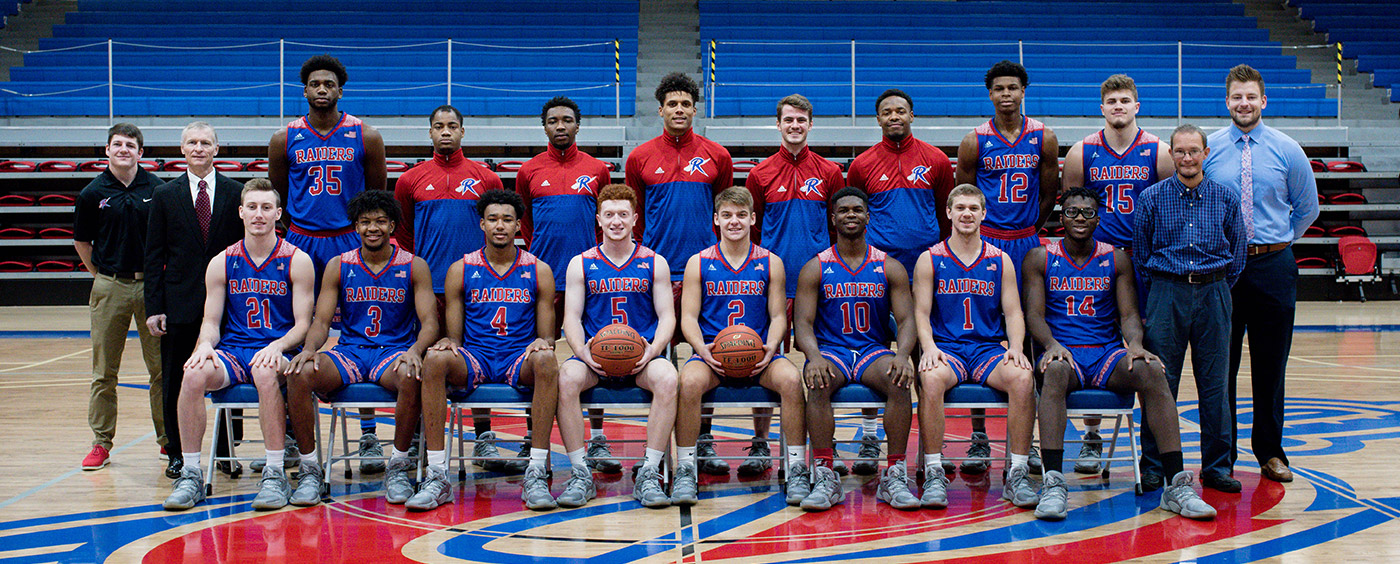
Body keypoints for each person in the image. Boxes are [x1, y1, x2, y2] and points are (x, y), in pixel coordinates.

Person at [1023, 187, 1215, 521]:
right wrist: (1052, 345)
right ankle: (1054, 483)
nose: (1079, 218)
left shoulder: (1116, 258)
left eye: (1086, 212)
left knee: (1153, 371)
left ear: (1098, 219)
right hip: (1065, 353)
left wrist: (1136, 346)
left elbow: (1128, 315)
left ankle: (1177, 485)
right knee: (1053, 371)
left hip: (1105, 354)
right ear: (1060, 217)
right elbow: (1034, 316)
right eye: (1071, 212)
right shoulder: (1040, 257)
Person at [161, 179, 316, 511]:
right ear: (241, 213)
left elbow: (304, 324)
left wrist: (278, 345)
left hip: (278, 348)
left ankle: (274, 473)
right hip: (234, 349)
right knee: (192, 374)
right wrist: (204, 345)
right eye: (252, 208)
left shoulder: (297, 259)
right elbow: (212, 321)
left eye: (265, 208)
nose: (258, 215)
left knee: (264, 373)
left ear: (278, 213)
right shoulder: (222, 261)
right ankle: (190, 473)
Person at [268, 54, 389, 473]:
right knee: (299, 333)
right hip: (301, 240)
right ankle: (289, 435)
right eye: (315, 83)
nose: (322, 89)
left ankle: (369, 435)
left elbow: (376, 196)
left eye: (329, 83)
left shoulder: (365, 135)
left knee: (363, 332)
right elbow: (279, 197)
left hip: (347, 240)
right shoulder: (284, 138)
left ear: (341, 89)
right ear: (304, 90)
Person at [284, 191, 438, 507]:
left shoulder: (414, 265)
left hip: (392, 351)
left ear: (393, 225)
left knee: (412, 374)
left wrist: (417, 349)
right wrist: (310, 349)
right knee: (299, 373)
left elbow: (430, 322)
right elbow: (322, 319)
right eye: (365, 222)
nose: (373, 228)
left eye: (380, 221)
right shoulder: (339, 265)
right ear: (355, 226)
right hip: (350, 351)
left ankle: (398, 465)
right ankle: (310, 469)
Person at [1204, 64, 1319, 484]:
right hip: (1224, 268)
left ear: (1263, 100)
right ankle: (1223, 456)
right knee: (1222, 365)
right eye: (1237, 97)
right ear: (1227, 101)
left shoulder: (1288, 150)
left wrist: (1277, 244)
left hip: (1273, 264)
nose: (1244, 103)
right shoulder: (1210, 148)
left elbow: (1308, 209)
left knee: (1272, 365)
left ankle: (1271, 453)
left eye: (1251, 96)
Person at [1059, 74, 1174, 475]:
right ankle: (1091, 438)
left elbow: (1169, 212)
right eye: (1112, 101)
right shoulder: (1082, 152)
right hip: (1097, 262)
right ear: (1102, 107)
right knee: (1095, 341)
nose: (1119, 106)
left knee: (1146, 351)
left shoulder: (1159, 152)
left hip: (1144, 262)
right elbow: (1073, 209)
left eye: (1126, 100)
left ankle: (1156, 452)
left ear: (1137, 105)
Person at [392, 104, 517, 473]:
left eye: (452, 126)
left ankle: (484, 436)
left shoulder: (486, 178)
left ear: (463, 131)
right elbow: (403, 235)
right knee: (427, 364)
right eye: (438, 126)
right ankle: (421, 439)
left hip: (476, 286)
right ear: (429, 133)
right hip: (427, 290)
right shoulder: (409, 180)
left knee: (476, 355)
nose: (445, 132)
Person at [417, 190, 559, 511]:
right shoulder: (461, 269)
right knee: (436, 359)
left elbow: (546, 336)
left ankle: (536, 470)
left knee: (548, 360)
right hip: (477, 356)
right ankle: (438, 474)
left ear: (518, 226)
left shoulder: (539, 269)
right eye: (493, 219)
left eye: (507, 219)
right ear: (481, 224)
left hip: (516, 356)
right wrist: (448, 345)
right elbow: (455, 338)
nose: (500, 226)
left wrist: (543, 344)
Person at [624, 72, 736, 474]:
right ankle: (656, 455)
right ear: (660, 110)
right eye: (672, 104)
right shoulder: (639, 157)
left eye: (686, 103)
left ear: (694, 109)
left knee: (708, 357)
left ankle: (702, 442)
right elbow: (635, 220)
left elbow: (724, 211)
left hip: (708, 272)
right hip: (657, 272)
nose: (679, 110)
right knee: (660, 364)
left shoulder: (718, 156)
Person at [672, 187, 808, 506]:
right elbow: (688, 318)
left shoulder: (770, 262)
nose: (735, 222)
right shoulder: (698, 262)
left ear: (753, 219)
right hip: (712, 355)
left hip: (759, 353)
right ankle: (686, 468)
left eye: (741, 215)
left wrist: (770, 347)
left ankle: (798, 467)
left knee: (790, 380)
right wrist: (702, 350)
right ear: (716, 219)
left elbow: (778, 315)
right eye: (728, 215)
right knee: (688, 383)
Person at [955, 60, 1059, 474]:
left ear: (1023, 91)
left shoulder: (1044, 137)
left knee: (1030, 337)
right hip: (986, 240)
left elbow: (1049, 191)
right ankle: (979, 436)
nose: (1006, 94)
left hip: (1027, 242)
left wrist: (1030, 228)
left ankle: (1028, 440)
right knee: (982, 332)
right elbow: (965, 190)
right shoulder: (974, 140)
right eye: (998, 88)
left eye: (1012, 87)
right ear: (990, 93)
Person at [1133, 124, 1247, 493]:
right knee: (1158, 384)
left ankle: (1217, 467)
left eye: (1193, 151)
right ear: (1170, 154)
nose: (1186, 158)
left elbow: (1239, 255)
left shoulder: (1226, 198)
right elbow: (1141, 257)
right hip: (1167, 293)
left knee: (1215, 385)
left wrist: (1213, 287)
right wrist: (1166, 292)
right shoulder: (1151, 198)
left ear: (1205, 154)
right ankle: (1153, 465)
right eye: (1179, 151)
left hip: (1214, 293)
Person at [844, 89, 953, 474]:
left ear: (912, 114)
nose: (894, 116)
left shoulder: (936, 159)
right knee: (872, 348)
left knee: (926, 354)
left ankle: (928, 449)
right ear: (877, 119)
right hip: (878, 272)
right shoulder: (862, 164)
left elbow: (945, 215)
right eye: (887, 112)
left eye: (901, 110)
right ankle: (870, 434)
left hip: (924, 270)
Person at [911, 184, 1038, 511]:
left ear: (984, 214)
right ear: (949, 212)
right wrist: (928, 347)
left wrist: (1017, 347)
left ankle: (1017, 472)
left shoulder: (1001, 260)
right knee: (931, 378)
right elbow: (921, 313)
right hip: (948, 348)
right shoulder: (930, 259)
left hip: (987, 349)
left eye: (973, 208)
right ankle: (935, 471)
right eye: (961, 208)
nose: (967, 214)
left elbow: (1013, 312)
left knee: (1024, 378)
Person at [793, 187, 918, 512]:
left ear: (867, 216)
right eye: (844, 210)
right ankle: (824, 474)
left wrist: (903, 356)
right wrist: (813, 356)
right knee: (817, 380)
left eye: (857, 210)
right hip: (832, 351)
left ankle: (894, 473)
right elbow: (802, 323)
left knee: (899, 379)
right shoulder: (816, 267)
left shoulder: (889, 266)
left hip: (872, 351)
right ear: (833, 218)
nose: (851, 214)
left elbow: (906, 320)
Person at [556, 184, 678, 509]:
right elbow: (571, 318)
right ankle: (581, 473)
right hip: (595, 358)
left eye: (623, 214)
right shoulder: (580, 263)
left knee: (668, 377)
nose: (616, 221)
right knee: (566, 377)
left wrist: (652, 350)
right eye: (609, 214)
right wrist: (582, 353)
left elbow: (667, 317)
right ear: (598, 219)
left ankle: (649, 472)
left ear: (635, 218)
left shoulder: (655, 263)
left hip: (641, 358)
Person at [517, 96, 619, 474]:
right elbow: (525, 227)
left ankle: (597, 437)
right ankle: (534, 439)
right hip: (542, 281)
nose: (560, 126)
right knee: (537, 357)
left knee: (602, 352)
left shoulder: (596, 169)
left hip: (590, 279)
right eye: (553, 121)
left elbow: (605, 221)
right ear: (544, 127)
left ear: (579, 125)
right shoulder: (529, 171)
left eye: (567, 120)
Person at [145, 122, 247, 479]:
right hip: (179, 303)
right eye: (192, 142)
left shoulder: (237, 193)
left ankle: (225, 452)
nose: (199, 148)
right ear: (182, 149)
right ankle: (176, 451)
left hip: (230, 305)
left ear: (217, 149)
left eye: (206, 142)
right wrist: (154, 307)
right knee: (176, 377)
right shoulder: (164, 195)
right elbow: (153, 254)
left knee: (229, 376)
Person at [74, 123, 165, 471]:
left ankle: (167, 440)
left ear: (141, 153)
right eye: (117, 144)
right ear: (107, 150)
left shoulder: (158, 190)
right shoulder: (92, 193)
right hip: (110, 285)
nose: (123, 149)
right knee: (104, 372)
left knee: (160, 369)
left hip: (150, 287)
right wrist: (101, 276)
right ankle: (101, 442)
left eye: (130, 144)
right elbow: (82, 242)